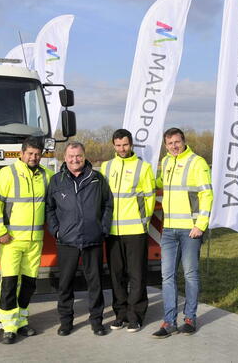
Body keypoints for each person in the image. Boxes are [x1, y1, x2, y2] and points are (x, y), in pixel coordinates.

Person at [0, 137, 54, 344]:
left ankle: (22, 321)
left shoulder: (47, 175)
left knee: (29, 283)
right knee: (8, 283)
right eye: (30, 153)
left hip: (35, 240)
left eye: (37, 154)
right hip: (11, 240)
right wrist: (0, 231)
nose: (34, 157)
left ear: (41, 155)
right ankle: (8, 326)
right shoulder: (7, 173)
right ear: (21, 153)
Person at [46, 142, 113, 337]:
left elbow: (108, 204)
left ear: (84, 157)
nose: (75, 160)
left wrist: (103, 228)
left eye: (79, 156)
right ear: (64, 158)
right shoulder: (56, 181)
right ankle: (66, 322)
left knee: (96, 283)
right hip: (67, 240)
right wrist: (56, 230)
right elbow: (49, 208)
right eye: (71, 156)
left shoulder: (97, 179)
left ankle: (97, 321)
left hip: (93, 239)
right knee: (65, 283)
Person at [151, 128, 213, 338]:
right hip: (168, 229)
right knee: (167, 276)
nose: (174, 146)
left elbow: (207, 194)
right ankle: (169, 322)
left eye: (177, 142)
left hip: (190, 230)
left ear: (184, 141)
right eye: (169, 143)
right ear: (165, 145)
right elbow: (160, 183)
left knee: (190, 275)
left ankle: (189, 318)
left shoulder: (197, 162)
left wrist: (201, 225)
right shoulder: (166, 162)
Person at [99, 129, 155, 333]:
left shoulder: (143, 167)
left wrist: (143, 223)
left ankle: (136, 316)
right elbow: (103, 198)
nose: (122, 149)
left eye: (125, 145)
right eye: (118, 145)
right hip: (113, 232)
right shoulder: (106, 167)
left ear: (131, 145)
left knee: (137, 275)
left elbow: (149, 198)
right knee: (116, 275)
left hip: (135, 231)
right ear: (114, 145)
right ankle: (120, 315)